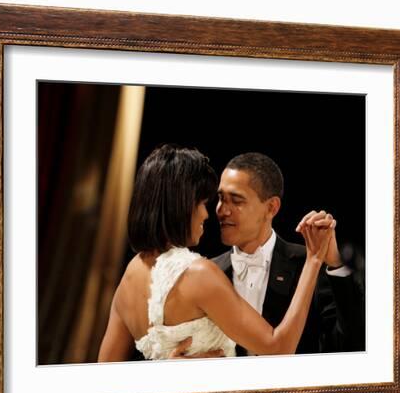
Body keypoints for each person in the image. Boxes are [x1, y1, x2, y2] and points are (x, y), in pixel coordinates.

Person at [98, 144, 336, 362]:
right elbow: (279, 348)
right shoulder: (199, 273)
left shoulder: (129, 276)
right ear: (181, 206)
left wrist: (164, 370)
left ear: (271, 207)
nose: (208, 214)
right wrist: (314, 259)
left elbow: (105, 377)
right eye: (203, 203)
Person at [197, 152, 364, 356]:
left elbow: (351, 343)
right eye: (221, 198)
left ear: (271, 208)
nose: (222, 210)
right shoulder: (206, 273)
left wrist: (336, 263)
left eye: (236, 200)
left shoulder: (309, 262)